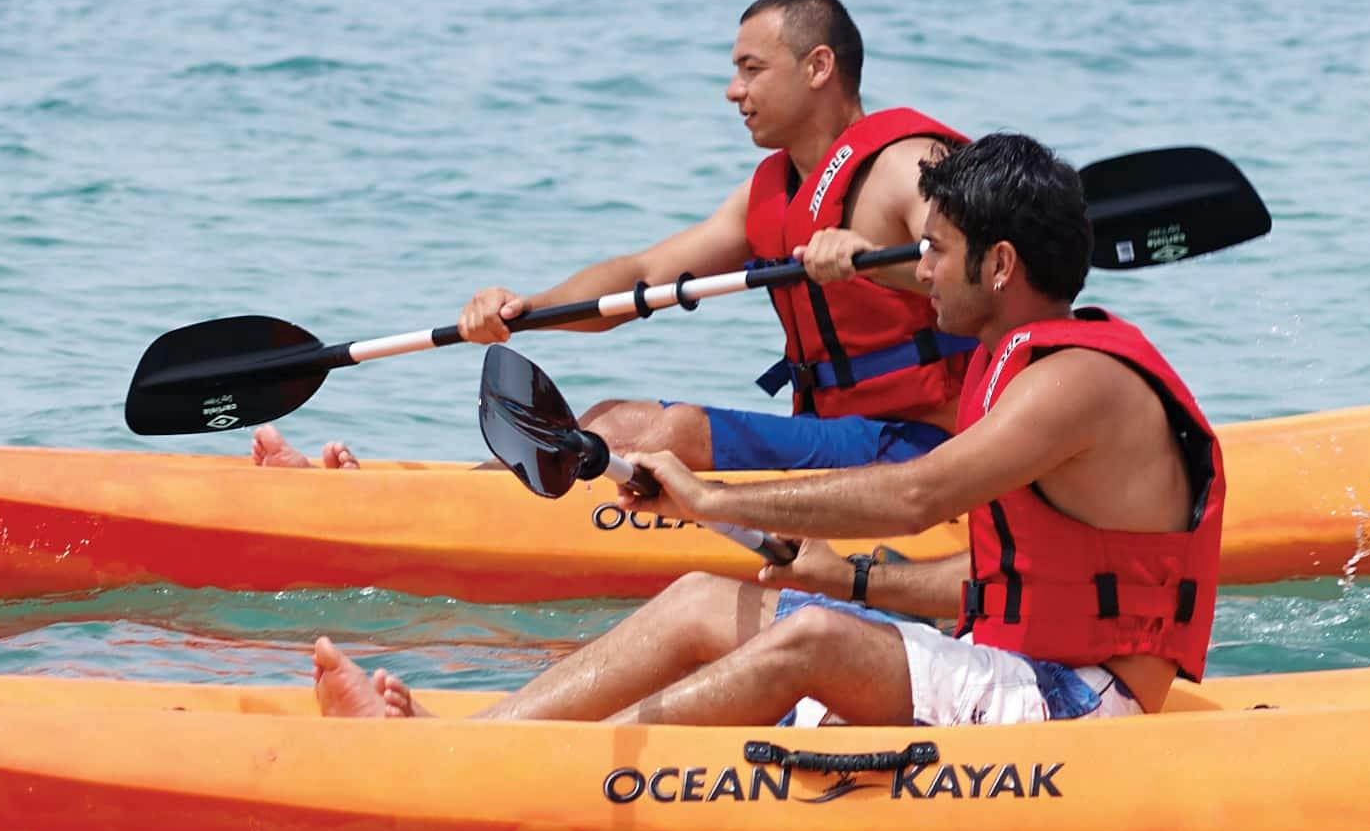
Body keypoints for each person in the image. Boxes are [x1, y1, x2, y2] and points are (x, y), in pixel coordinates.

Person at [312, 132, 1226, 728]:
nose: (919, 275)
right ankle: (482, 739)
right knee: (701, 601)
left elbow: (919, 493)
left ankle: (509, 779)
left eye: (935, 254)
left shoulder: (1077, 380)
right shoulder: (1014, 357)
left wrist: (713, 494)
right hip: (1006, 668)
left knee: (813, 641)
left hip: (1080, 706)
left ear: (998, 265)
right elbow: (1008, 574)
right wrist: (856, 575)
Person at [255, 0, 972, 473]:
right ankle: (410, 499)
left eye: (752, 69)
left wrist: (873, 261)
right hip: (838, 436)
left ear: (819, 66)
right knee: (610, 418)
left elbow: (995, 278)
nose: (733, 90)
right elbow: (641, 277)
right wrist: (522, 312)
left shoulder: (909, 165)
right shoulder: (772, 191)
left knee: (680, 430)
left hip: (930, 447)